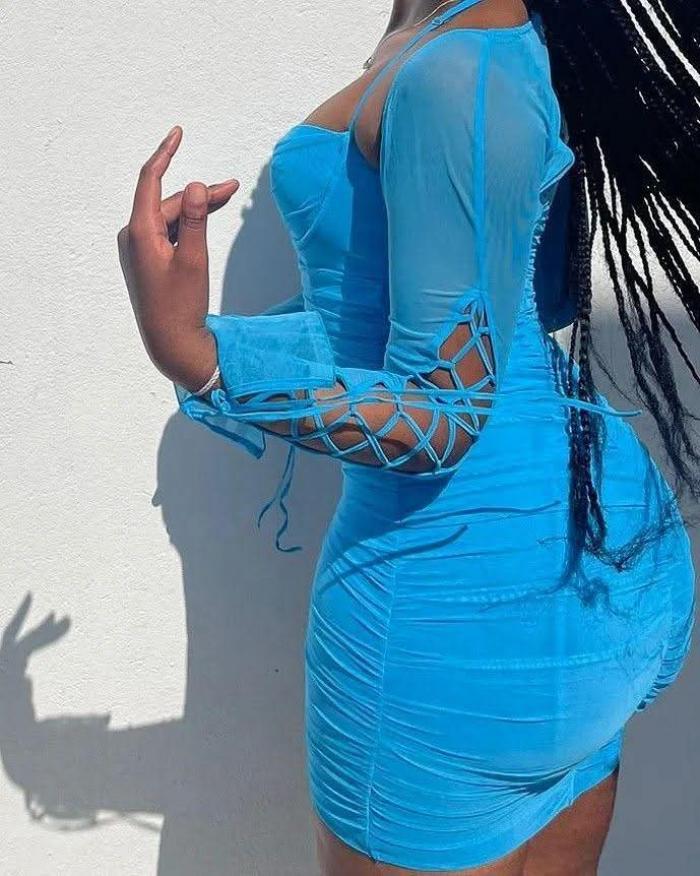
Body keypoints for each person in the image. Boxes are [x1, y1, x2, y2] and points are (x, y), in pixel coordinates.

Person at [117, 1, 698, 873]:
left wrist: (196, 359)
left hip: (459, 610)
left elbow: (442, 419)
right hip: (589, 577)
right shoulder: (476, 39)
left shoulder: (460, 65)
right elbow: (496, 315)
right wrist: (212, 345)